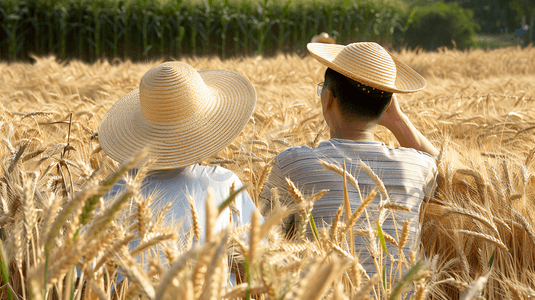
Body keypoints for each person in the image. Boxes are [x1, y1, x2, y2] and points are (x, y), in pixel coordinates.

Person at [260, 42, 438, 279]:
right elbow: (445, 172)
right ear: (388, 105)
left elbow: (261, 246)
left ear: (328, 98)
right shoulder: (419, 166)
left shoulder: (292, 164)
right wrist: (399, 121)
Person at [98, 61, 259, 283]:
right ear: (207, 126)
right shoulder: (225, 185)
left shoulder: (103, 197)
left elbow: (82, 281)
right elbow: (257, 266)